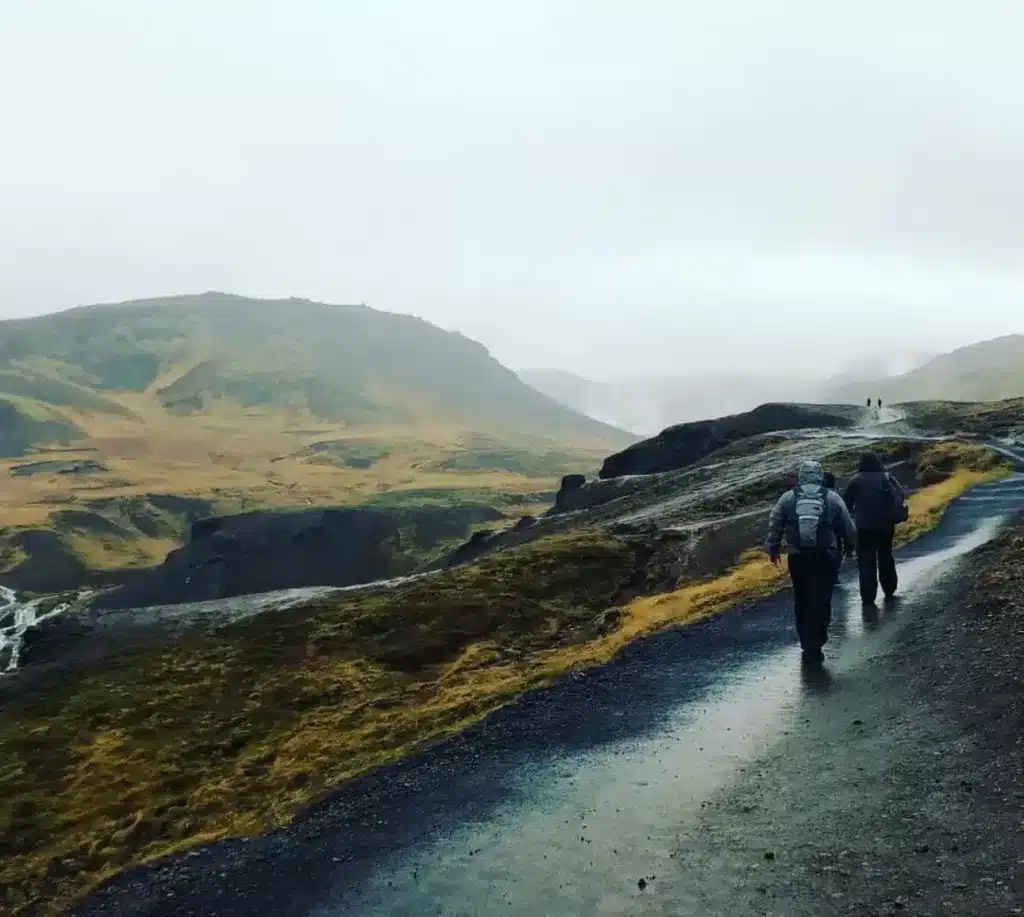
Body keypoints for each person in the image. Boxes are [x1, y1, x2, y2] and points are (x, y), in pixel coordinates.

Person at [766, 461, 856, 665]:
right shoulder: (832, 498)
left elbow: (775, 524)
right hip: (826, 557)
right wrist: (850, 549)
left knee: (802, 597)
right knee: (821, 598)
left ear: (801, 476)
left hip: (797, 557)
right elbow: (848, 528)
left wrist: (773, 548)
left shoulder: (787, 498)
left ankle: (806, 641)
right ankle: (818, 640)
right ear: (820, 475)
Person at [843, 451, 906, 606]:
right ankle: (890, 588)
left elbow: (846, 504)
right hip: (885, 526)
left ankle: (868, 596)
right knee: (885, 556)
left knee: (865, 562)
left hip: (864, 528)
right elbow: (900, 494)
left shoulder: (855, 480)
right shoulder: (886, 477)